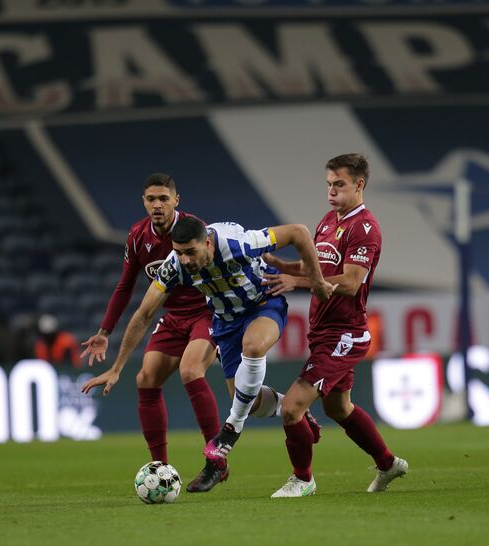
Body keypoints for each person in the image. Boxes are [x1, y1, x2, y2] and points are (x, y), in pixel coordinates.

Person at [81, 216, 333, 480]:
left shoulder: (238, 243)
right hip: (226, 321)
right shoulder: (174, 266)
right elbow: (144, 314)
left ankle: (230, 431)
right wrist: (117, 367)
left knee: (253, 346)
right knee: (250, 401)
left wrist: (316, 281)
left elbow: (298, 232)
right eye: (179, 252)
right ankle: (289, 406)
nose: (185, 260)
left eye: (191, 252)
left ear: (208, 243)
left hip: (262, 304)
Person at [261, 153, 409, 497]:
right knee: (338, 408)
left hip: (345, 333)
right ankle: (388, 464)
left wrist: (296, 283)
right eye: (328, 184)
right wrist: (281, 265)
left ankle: (302, 480)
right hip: (323, 330)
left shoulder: (365, 228)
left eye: (339, 184)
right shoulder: (328, 221)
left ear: (359, 185)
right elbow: (316, 268)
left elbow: (352, 282)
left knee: (291, 408)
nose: (331, 191)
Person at [79, 174, 224, 493]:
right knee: (145, 378)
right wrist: (105, 332)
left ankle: (216, 461)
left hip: (206, 311)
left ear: (176, 200)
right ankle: (160, 469)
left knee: (190, 371)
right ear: (144, 202)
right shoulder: (137, 236)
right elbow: (125, 286)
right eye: (151, 199)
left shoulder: (195, 230)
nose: (157, 205)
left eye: (163, 199)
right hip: (172, 317)